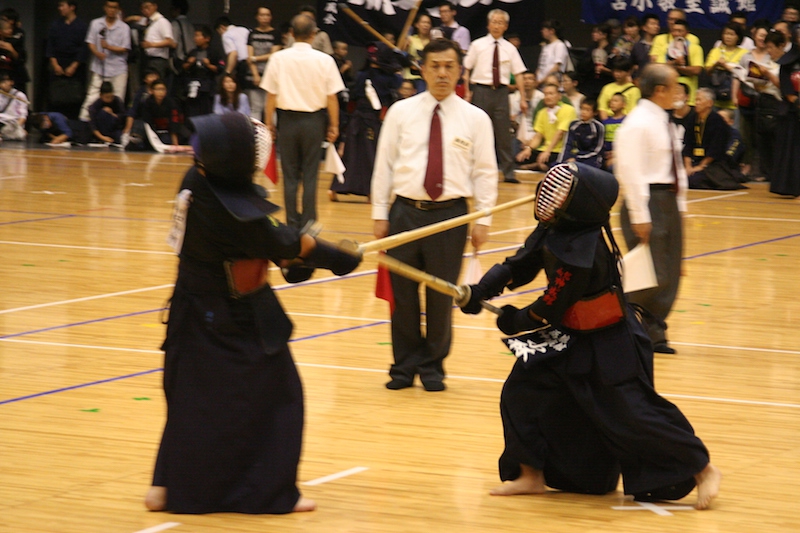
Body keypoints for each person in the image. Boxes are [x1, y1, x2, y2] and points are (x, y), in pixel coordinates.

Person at [458, 161, 721, 511]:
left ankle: (703, 469)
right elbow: (520, 263)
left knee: (632, 412)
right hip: (569, 334)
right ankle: (530, 474)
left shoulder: (582, 249)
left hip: (608, 341)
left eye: (562, 192)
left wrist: (515, 319)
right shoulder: (555, 227)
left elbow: (552, 303)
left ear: (580, 203)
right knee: (521, 392)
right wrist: (481, 290)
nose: (551, 196)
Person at [144, 112, 360, 515]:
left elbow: (273, 244)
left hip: (193, 310)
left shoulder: (195, 181)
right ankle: (266, 493)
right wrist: (337, 256)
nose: (197, 152)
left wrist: (297, 256)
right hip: (230, 319)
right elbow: (285, 243)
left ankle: (166, 485)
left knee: (191, 400)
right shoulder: (230, 212)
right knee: (279, 396)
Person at [371, 39, 497, 392]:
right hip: (404, 214)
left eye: (449, 66)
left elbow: (486, 172)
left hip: (450, 217)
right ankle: (403, 367)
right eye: (435, 66)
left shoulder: (476, 118)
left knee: (441, 297)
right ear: (422, 70)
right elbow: (384, 165)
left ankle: (432, 367)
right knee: (403, 296)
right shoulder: (401, 112)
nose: (442, 73)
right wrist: (380, 213)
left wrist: (483, 220)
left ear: (459, 71)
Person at [614, 63, 687, 354]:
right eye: (675, 86)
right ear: (659, 90)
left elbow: (676, 168)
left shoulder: (664, 121)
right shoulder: (637, 123)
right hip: (647, 201)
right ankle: (622, 328)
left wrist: (680, 207)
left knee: (670, 273)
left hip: (668, 200)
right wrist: (640, 214)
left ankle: (654, 332)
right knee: (650, 273)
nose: (679, 92)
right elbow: (629, 171)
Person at [262, 14, 344, 229]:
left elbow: (270, 96)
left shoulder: (278, 58)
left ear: (291, 33)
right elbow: (332, 97)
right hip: (314, 122)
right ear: (313, 34)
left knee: (290, 175)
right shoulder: (325, 60)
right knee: (310, 174)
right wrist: (334, 125)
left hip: (287, 121)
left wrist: (269, 123)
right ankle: (308, 224)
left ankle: (291, 223)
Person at [330, 42, 402, 201]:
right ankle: (369, 192)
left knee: (351, 154)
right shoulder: (389, 78)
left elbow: (354, 96)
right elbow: (397, 81)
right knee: (370, 155)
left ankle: (336, 188)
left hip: (359, 119)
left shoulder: (363, 75)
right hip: (370, 119)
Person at [463, 9, 527, 184]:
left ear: (505, 26)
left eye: (500, 22)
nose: (497, 25)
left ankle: (508, 172)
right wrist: (467, 92)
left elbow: (519, 74)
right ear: (488, 24)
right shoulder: (477, 45)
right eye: (494, 22)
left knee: (503, 134)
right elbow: (466, 69)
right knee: (476, 132)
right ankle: (471, 170)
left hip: (501, 93)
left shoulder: (510, 48)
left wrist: (522, 98)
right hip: (481, 91)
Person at [682, 88, 746, 190]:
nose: (696, 103)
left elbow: (715, 150)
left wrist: (701, 166)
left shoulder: (717, 121)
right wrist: (688, 167)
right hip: (695, 160)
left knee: (694, 179)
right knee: (679, 176)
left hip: (713, 163)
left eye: (699, 100)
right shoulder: (692, 118)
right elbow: (687, 145)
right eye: (695, 100)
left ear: (709, 103)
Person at [80, 0, 130, 121]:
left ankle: (116, 124)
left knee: (117, 99)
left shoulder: (124, 27)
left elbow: (125, 48)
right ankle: (84, 122)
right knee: (92, 97)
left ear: (118, 9)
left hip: (118, 68)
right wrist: (97, 53)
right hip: (99, 67)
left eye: (114, 7)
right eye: (109, 7)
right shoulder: (96, 23)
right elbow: (90, 42)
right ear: (105, 8)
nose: (112, 10)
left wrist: (108, 47)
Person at [516, 83, 576, 172]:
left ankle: (538, 165)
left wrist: (547, 151)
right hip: (544, 149)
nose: (548, 97)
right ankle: (538, 165)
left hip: (560, 150)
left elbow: (560, 133)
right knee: (520, 158)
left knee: (554, 160)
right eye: (546, 94)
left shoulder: (569, 110)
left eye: (551, 94)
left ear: (559, 96)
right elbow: (538, 135)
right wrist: (528, 149)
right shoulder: (542, 112)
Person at [769, 27, 800, 197]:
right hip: (792, 113)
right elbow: (787, 90)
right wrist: (796, 101)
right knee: (791, 151)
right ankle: (791, 187)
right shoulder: (788, 62)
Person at [45, 0, 89, 119]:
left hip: (75, 66)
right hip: (58, 64)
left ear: (71, 7)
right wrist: (55, 65)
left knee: (74, 99)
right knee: (55, 98)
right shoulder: (55, 25)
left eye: (62, 5)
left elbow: (83, 48)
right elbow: (50, 46)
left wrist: (74, 66)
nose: (60, 8)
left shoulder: (81, 26)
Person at [655, 19, 703, 106]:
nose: (676, 34)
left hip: (688, 98)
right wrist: (675, 62)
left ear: (687, 33)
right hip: (667, 96)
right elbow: (659, 69)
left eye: (680, 31)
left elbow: (696, 70)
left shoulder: (695, 48)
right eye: (674, 31)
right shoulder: (665, 48)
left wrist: (673, 67)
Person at [247, 7, 282, 121]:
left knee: (270, 107)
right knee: (255, 108)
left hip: (270, 73)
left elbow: (274, 55)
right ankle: (256, 131)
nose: (265, 18)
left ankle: (271, 130)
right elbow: (249, 57)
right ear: (257, 17)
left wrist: (255, 58)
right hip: (254, 74)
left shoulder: (276, 33)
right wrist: (255, 75)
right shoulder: (252, 33)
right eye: (262, 15)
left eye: (267, 15)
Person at [182, 25, 224, 118]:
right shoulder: (192, 52)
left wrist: (209, 65)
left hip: (208, 86)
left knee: (207, 112)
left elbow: (220, 69)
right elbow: (183, 68)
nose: (195, 38)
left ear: (207, 38)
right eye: (195, 36)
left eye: (198, 35)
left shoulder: (214, 52)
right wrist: (189, 63)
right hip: (193, 85)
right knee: (192, 112)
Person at [705, 22, 748, 110]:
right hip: (716, 97)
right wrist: (716, 64)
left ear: (738, 36)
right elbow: (708, 71)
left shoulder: (744, 53)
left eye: (732, 34)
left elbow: (744, 74)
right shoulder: (716, 51)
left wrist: (725, 66)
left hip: (734, 99)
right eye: (726, 34)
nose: (728, 37)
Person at [557, 97, 604, 168]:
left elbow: (597, 150)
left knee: (581, 167)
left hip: (591, 158)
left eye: (587, 110)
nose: (583, 112)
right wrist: (560, 162)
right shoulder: (573, 124)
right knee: (558, 166)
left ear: (595, 112)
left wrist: (577, 159)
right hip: (574, 155)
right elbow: (567, 144)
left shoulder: (599, 127)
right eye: (582, 109)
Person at [137, 0, 175, 81]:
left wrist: (151, 45)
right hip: (146, 58)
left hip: (158, 59)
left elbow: (169, 41)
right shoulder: (147, 21)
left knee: (156, 82)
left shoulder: (162, 22)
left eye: (147, 7)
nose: (145, 10)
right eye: (143, 8)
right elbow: (137, 19)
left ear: (155, 6)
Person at [215, 16, 250, 85]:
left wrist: (227, 73)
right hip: (253, 62)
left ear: (222, 27)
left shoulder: (226, 35)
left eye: (219, 32)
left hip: (243, 65)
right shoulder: (244, 29)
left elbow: (233, 53)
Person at [402, 13, 432, 93]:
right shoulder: (410, 39)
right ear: (417, 25)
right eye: (423, 22)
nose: (426, 25)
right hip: (410, 75)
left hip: (425, 76)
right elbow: (401, 54)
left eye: (428, 23)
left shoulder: (432, 41)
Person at [535, 19, 570, 85]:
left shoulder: (559, 45)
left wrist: (542, 81)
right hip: (541, 83)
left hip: (553, 83)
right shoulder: (545, 46)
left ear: (551, 31)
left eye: (544, 29)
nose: (542, 31)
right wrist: (536, 79)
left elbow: (557, 67)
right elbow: (540, 67)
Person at [601, 93, 626, 171]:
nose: (612, 103)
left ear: (623, 104)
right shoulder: (605, 122)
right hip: (607, 155)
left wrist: (617, 153)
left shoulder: (627, 121)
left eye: (615, 101)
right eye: (611, 101)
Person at [0, 72, 27, 141]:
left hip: (12, 123)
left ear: (11, 82)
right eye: (1, 82)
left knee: (19, 133)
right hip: (1, 120)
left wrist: (17, 127)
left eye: (5, 82)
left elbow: (23, 115)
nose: (3, 84)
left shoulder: (20, 95)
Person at [631, 14, 659, 79]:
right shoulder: (637, 46)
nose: (656, 26)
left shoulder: (662, 44)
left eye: (657, 24)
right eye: (652, 24)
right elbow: (633, 64)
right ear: (644, 27)